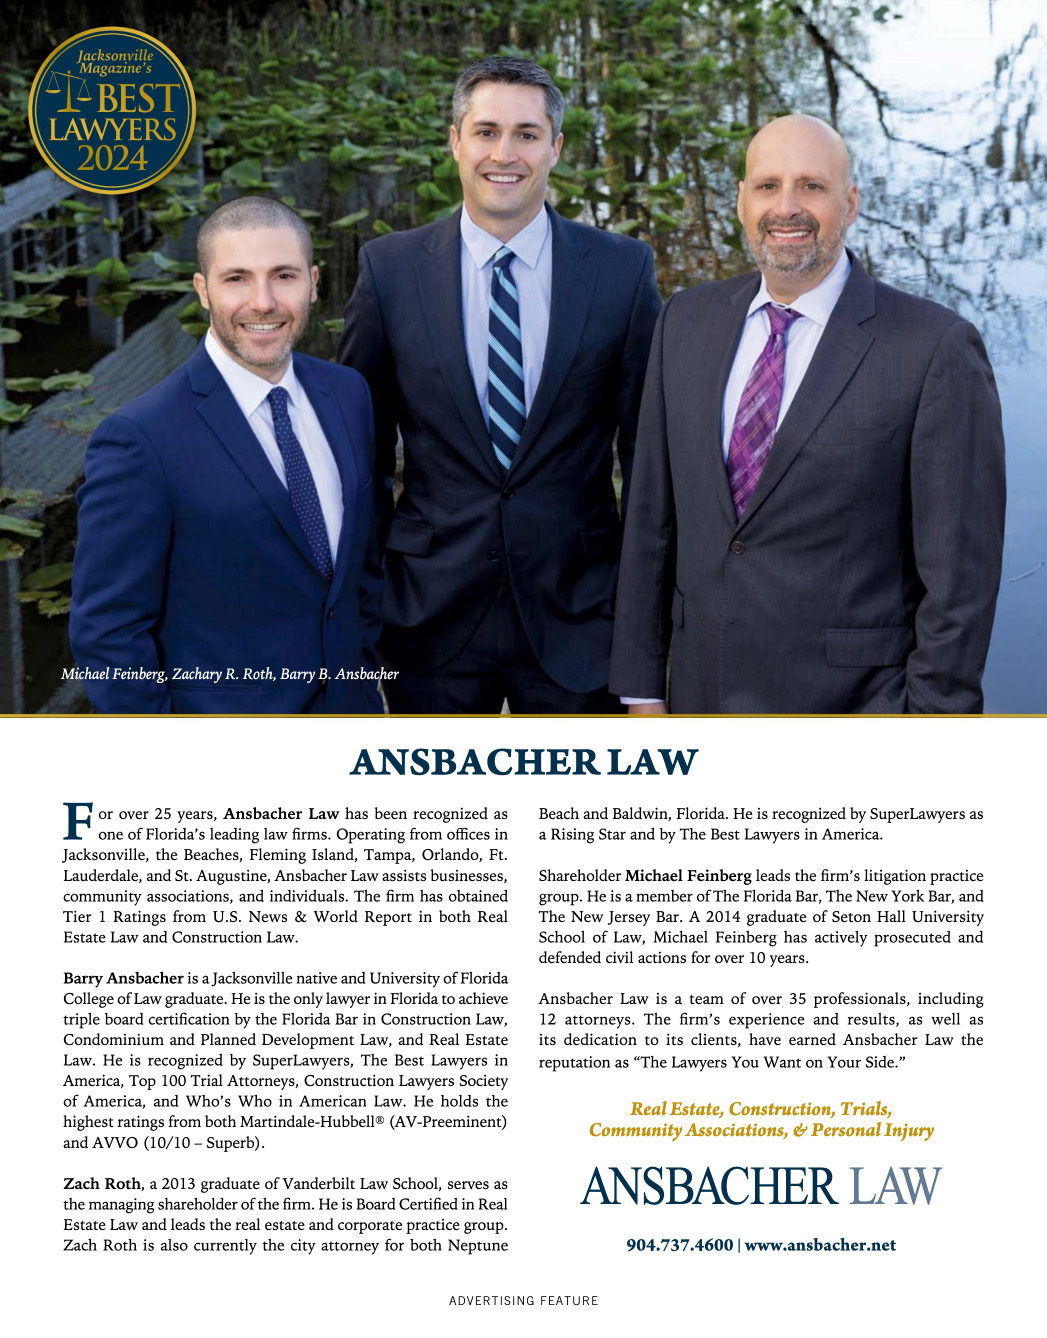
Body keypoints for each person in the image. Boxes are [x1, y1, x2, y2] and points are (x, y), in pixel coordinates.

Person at [609, 114, 1006, 714]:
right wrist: (642, 692)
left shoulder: (933, 348)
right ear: (741, 201)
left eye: (812, 187)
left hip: (855, 711)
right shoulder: (686, 321)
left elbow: (960, 579)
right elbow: (649, 524)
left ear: (849, 202)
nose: (786, 207)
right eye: (767, 186)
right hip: (696, 700)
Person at [339, 56, 662, 713]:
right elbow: (357, 459)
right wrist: (366, 604)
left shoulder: (622, 272)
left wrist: (643, 638)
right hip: (427, 615)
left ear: (556, 148)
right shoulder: (389, 270)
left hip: (580, 613)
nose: (503, 153)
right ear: (455, 141)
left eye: (526, 133)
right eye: (485, 132)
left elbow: (649, 464)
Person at [70, 197, 383, 714]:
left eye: (283, 276)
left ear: (313, 281)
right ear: (203, 291)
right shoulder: (138, 440)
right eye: (237, 278)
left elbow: (361, 567)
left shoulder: (348, 393)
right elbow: (108, 634)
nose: (263, 302)